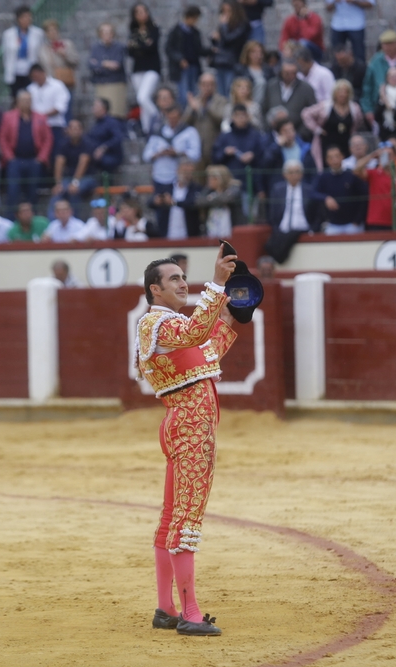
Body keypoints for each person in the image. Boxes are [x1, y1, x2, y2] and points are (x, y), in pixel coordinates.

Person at [136, 247, 237, 638]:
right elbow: (196, 333)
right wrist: (217, 283)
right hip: (191, 428)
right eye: (174, 279)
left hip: (183, 425)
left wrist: (234, 314)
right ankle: (189, 614)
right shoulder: (155, 323)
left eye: (183, 277)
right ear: (155, 290)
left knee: (171, 517)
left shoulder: (166, 327)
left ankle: (165, 607)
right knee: (186, 520)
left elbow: (206, 350)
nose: (183, 283)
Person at [0, 90, 53, 216]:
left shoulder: (40, 117)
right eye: (23, 100)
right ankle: (11, 219)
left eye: (29, 100)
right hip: (15, 160)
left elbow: (48, 139)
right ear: (17, 102)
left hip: (34, 160)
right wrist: (9, 157)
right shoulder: (8, 116)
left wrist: (41, 158)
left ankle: (31, 219)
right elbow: (2, 138)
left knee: (33, 191)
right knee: (13, 191)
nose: (26, 103)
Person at [301, 78, 364, 173]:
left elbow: (358, 122)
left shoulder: (355, 108)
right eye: (340, 91)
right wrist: (317, 129)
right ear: (335, 93)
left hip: (346, 145)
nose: (342, 94)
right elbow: (306, 114)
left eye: (345, 92)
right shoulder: (325, 106)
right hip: (327, 144)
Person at [352, 136, 396, 230]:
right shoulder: (374, 173)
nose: (387, 157)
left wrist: (394, 169)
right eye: (384, 155)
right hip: (376, 222)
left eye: (389, 155)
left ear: (395, 156)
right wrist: (373, 155)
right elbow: (356, 169)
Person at [361, 30, 396, 130]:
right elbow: (367, 87)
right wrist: (368, 109)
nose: (387, 47)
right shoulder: (375, 61)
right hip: (380, 107)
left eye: (390, 44)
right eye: (384, 44)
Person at [266, 159, 317, 262]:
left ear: (301, 174)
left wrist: (313, 230)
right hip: (282, 231)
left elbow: (317, 213)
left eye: (297, 172)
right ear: (285, 174)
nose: (294, 175)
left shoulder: (309, 190)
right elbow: (273, 214)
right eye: (291, 172)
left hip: (304, 230)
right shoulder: (277, 190)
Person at [146, 105, 202, 194]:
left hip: (180, 178)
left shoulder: (189, 132)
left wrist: (177, 153)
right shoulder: (158, 132)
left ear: (180, 117)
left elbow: (196, 154)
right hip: (160, 176)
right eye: (170, 118)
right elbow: (146, 155)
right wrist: (160, 153)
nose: (173, 121)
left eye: (175, 118)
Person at [311, 145, 367, 234]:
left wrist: (358, 220)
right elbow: (313, 193)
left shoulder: (352, 174)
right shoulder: (323, 177)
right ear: (327, 160)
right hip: (332, 225)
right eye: (331, 157)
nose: (335, 160)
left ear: (342, 157)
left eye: (337, 156)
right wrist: (326, 198)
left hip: (352, 225)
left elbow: (364, 195)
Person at [263, 58, 318, 141]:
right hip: (272, 136)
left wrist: (299, 135)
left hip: (298, 137)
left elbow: (313, 114)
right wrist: (268, 129)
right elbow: (264, 109)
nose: (290, 75)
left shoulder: (306, 89)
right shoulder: (271, 85)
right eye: (286, 73)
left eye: (293, 73)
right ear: (281, 72)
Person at [50, 119, 96, 218]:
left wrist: (75, 182)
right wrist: (58, 183)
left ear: (81, 130)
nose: (75, 130)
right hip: (68, 178)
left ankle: (74, 221)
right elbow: (59, 163)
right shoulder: (63, 144)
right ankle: (52, 223)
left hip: (87, 178)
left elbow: (83, 164)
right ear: (68, 130)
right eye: (72, 128)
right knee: (58, 192)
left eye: (77, 128)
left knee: (74, 191)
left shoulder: (87, 143)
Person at [128, 3, 162, 135]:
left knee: (142, 97)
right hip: (138, 70)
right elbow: (130, 51)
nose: (142, 14)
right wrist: (142, 46)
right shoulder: (134, 31)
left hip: (152, 68)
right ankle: (147, 130)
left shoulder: (154, 28)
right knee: (142, 103)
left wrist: (138, 46)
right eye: (138, 12)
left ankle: (158, 117)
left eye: (144, 11)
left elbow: (150, 48)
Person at [212, 105, 265, 184]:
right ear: (232, 117)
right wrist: (225, 153)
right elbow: (214, 157)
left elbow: (265, 156)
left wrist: (254, 155)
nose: (241, 119)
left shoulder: (256, 136)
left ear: (248, 117)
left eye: (243, 115)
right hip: (230, 182)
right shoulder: (225, 137)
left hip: (252, 182)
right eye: (238, 116)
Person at [38, 20, 79, 123]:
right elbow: (42, 66)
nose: (53, 33)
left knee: (67, 110)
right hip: (51, 84)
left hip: (66, 83)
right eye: (50, 31)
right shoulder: (43, 49)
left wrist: (64, 54)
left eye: (54, 30)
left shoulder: (67, 44)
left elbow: (76, 61)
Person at [149, 161, 202, 239]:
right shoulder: (167, 188)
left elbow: (193, 203)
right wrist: (157, 201)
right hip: (167, 235)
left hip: (189, 235)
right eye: (185, 171)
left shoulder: (196, 189)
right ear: (177, 171)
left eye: (190, 172)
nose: (187, 175)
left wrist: (174, 202)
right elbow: (149, 203)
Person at [210, 0, 251, 97]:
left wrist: (223, 26)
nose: (226, 14)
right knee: (221, 92)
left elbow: (229, 40)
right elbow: (219, 42)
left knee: (230, 91)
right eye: (223, 11)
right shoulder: (224, 26)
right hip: (220, 62)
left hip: (233, 63)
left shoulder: (242, 24)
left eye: (229, 11)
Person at [2, 5, 45, 97]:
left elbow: (40, 52)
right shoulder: (9, 34)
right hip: (15, 70)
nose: (27, 19)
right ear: (18, 19)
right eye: (24, 17)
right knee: (16, 97)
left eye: (29, 17)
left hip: (30, 70)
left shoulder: (38, 33)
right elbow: (6, 55)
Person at [166, 6, 207, 102]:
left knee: (194, 93)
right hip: (181, 68)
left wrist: (211, 50)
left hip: (194, 66)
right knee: (183, 95)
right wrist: (180, 59)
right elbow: (168, 49)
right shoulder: (176, 31)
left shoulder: (195, 32)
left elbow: (199, 50)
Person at [196, 164, 246, 238]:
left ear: (218, 179)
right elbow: (199, 201)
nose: (208, 181)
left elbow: (226, 199)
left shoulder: (234, 188)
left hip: (230, 232)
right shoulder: (209, 191)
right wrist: (212, 196)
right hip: (211, 232)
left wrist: (211, 198)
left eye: (210, 178)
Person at [89, 23, 128, 118]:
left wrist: (100, 63)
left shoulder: (119, 47)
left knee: (117, 112)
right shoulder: (95, 48)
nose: (107, 34)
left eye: (109, 32)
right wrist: (106, 64)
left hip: (116, 83)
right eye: (104, 32)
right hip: (101, 83)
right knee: (103, 113)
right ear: (100, 34)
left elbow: (117, 64)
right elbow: (91, 65)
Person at [27, 64, 70, 147]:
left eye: (37, 76)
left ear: (43, 73)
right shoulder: (30, 88)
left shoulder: (58, 85)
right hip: (36, 127)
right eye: (33, 77)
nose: (36, 79)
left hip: (54, 125)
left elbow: (59, 107)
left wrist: (41, 116)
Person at [86, 98, 124, 174]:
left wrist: (103, 148)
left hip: (110, 155)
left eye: (95, 106)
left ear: (103, 108)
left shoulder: (112, 122)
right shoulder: (96, 124)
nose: (93, 109)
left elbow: (118, 138)